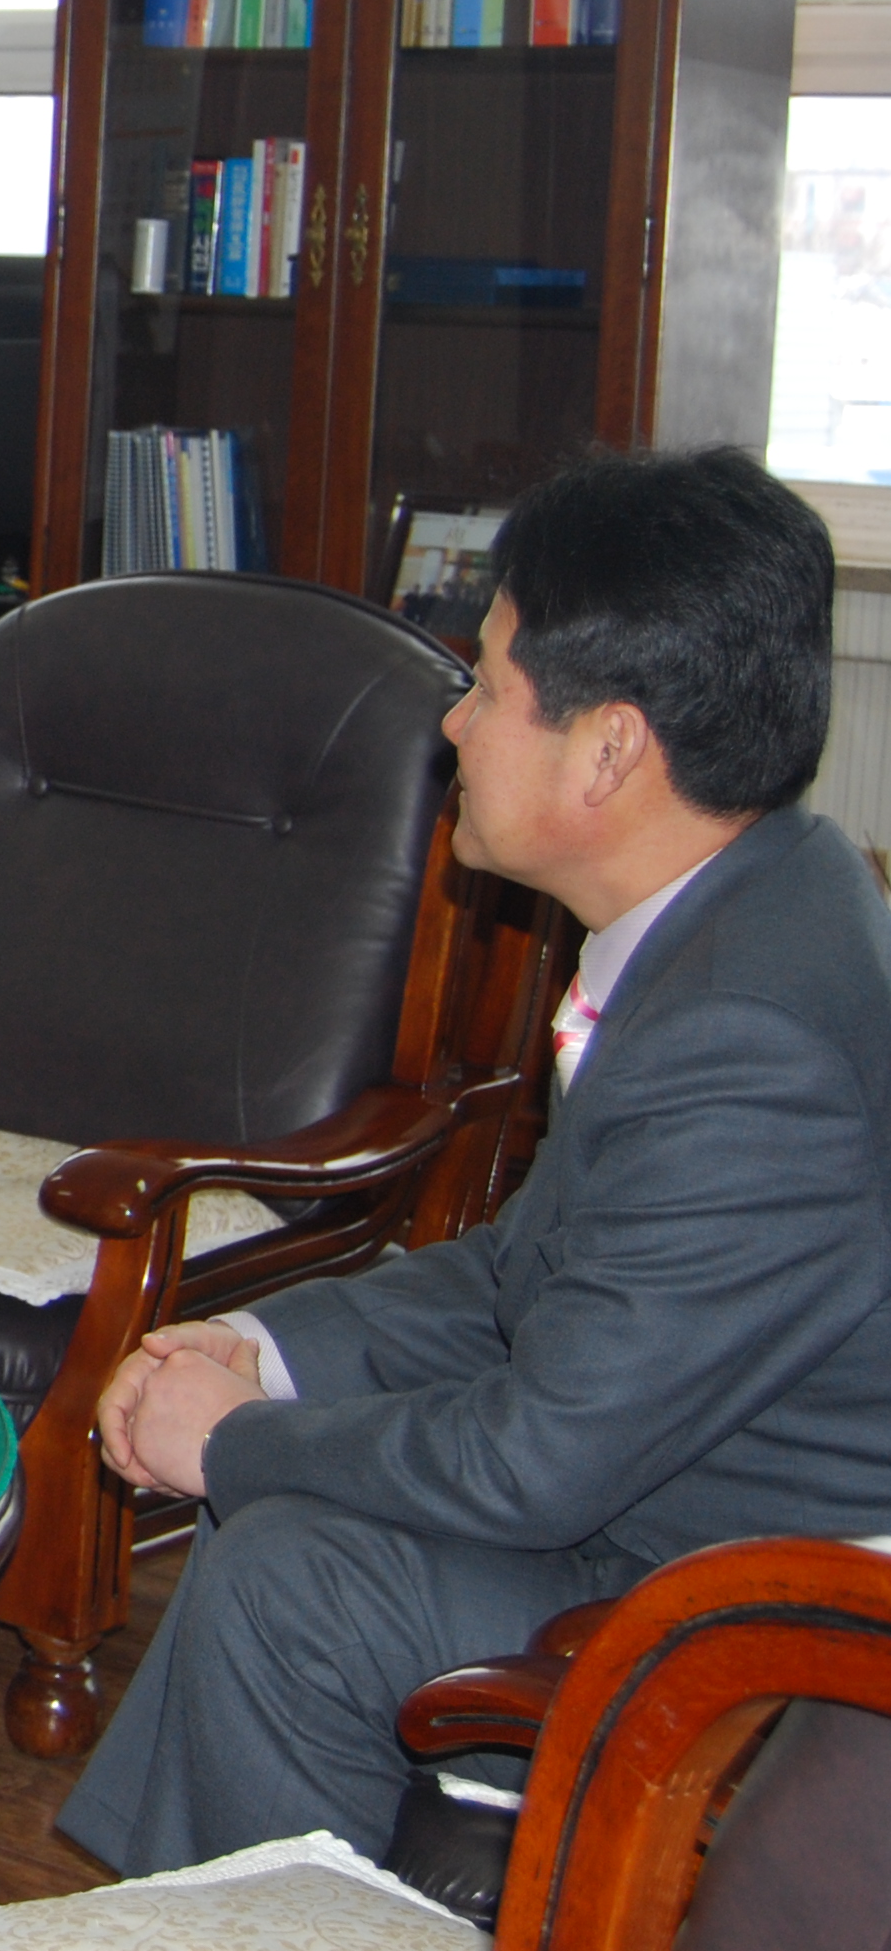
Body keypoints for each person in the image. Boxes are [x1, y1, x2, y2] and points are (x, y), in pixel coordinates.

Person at [57, 447, 891, 1881]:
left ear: (610, 749)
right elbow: (533, 1271)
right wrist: (267, 1351)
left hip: (759, 1613)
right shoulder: (764, 895)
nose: (452, 721)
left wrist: (233, 1440)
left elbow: (541, 1463)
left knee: (289, 1579)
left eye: (488, 686)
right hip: (674, 1502)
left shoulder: (746, 1043)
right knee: (288, 1544)